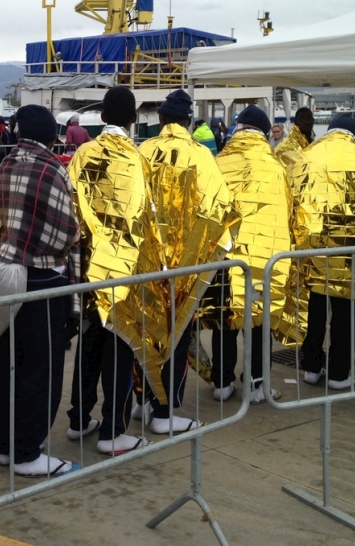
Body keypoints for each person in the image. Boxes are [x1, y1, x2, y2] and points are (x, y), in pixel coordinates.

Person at [66, 87, 161, 454]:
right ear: (133, 118)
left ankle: (78, 418)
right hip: (125, 271)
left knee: (89, 342)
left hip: (88, 267)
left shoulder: (82, 153)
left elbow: (72, 204)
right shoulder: (136, 160)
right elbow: (148, 218)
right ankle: (113, 430)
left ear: (102, 116)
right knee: (120, 348)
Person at [137, 90, 238, 433]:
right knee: (177, 335)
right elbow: (220, 210)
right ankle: (165, 413)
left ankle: (140, 402)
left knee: (144, 332)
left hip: (145, 262)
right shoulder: (200, 155)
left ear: (162, 120)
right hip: (183, 267)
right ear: (188, 122)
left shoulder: (142, 151)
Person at [0, 105, 81, 476]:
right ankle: (27, 452)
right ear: (51, 134)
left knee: (12, 363)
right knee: (42, 369)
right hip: (43, 275)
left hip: (8, 270)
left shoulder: (6, 164)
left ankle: (7, 444)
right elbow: (66, 230)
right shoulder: (51, 168)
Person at [290, 115, 355, 391]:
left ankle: (312, 368)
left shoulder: (305, 155)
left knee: (314, 309)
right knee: (345, 313)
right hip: (351, 251)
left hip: (312, 247)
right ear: (354, 135)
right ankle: (340, 374)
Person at [212, 105, 292, 403]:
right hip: (265, 257)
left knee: (225, 317)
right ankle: (258, 384)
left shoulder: (219, 161)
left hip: (224, 254)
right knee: (259, 322)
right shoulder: (275, 165)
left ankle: (221, 382)